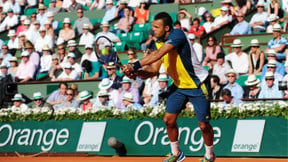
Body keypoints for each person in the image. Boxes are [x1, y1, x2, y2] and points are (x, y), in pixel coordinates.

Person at [122, 12, 215, 162]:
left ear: (166, 28)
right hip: (179, 86)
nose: (153, 30)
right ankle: (176, 153)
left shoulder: (178, 35)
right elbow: (153, 70)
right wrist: (138, 73)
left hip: (198, 84)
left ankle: (209, 155)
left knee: (204, 125)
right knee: (168, 120)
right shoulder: (158, 41)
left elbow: (158, 54)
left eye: (156, 27)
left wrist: (134, 65)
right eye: (152, 27)